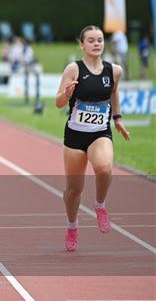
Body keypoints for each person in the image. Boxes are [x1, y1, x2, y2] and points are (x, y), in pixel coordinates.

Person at [55, 25, 130, 252]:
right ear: (82, 44)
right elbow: (58, 102)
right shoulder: (73, 69)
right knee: (73, 190)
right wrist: (66, 94)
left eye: (99, 40)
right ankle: (72, 226)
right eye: (91, 40)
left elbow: (114, 93)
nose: (97, 44)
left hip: (100, 133)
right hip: (75, 136)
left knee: (105, 168)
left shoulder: (114, 71)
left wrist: (117, 118)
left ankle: (100, 205)